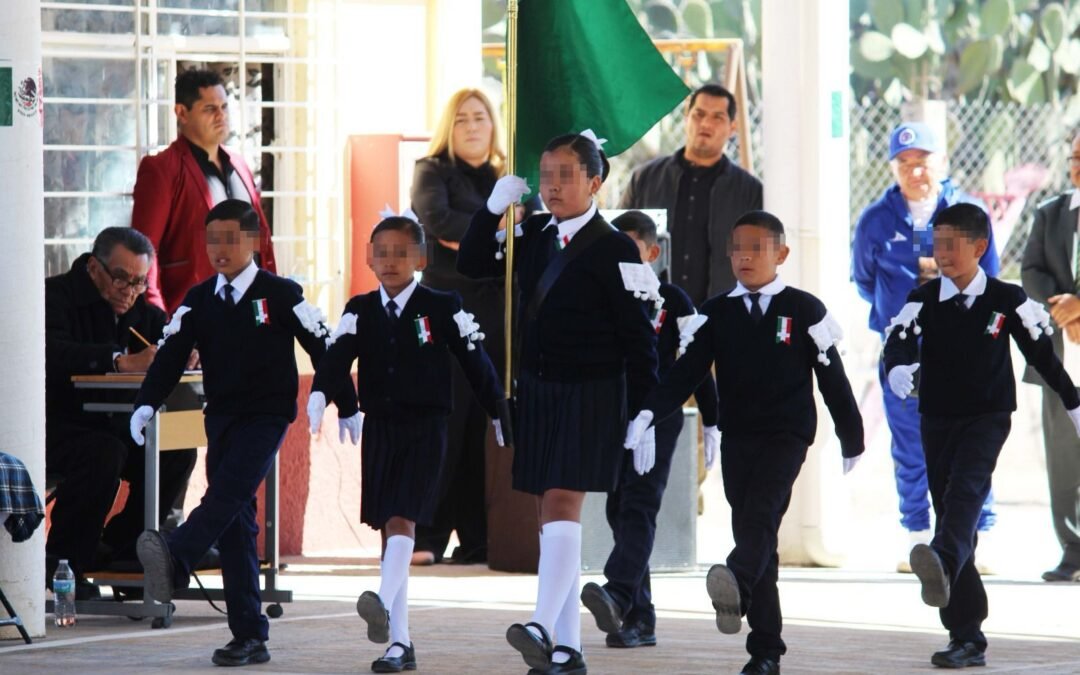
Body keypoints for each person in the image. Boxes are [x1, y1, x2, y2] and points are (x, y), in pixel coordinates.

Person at [625, 210, 864, 675]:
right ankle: (765, 651)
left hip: (787, 436)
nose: (746, 257)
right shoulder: (714, 313)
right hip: (740, 438)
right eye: (738, 248)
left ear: (781, 254)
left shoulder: (804, 309)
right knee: (759, 540)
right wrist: (650, 413)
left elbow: (833, 379)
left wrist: (850, 436)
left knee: (760, 515)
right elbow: (684, 374)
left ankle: (734, 576)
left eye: (757, 248)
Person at [458, 132, 659, 675]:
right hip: (540, 390)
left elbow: (640, 341)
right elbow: (474, 263)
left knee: (565, 500)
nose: (553, 186)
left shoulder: (616, 247)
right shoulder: (534, 234)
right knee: (548, 512)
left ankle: (542, 625)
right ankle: (568, 648)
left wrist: (647, 414)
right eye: (546, 175)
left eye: (567, 175)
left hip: (593, 393)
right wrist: (494, 207)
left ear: (595, 181)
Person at [130, 199, 356, 667]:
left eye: (231, 239)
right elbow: (171, 355)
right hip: (223, 418)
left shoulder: (282, 294)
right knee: (235, 522)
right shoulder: (199, 300)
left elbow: (324, 346)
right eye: (212, 239)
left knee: (228, 492)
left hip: (268, 416)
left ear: (252, 241)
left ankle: (177, 554)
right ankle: (249, 635)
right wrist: (146, 403)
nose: (220, 249)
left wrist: (344, 402)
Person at [883, 203, 1080, 668]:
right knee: (952, 510)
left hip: (988, 418)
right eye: (937, 243)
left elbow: (1042, 354)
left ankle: (943, 559)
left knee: (966, 495)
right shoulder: (924, 299)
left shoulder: (1006, 299)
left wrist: (1072, 401)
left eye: (953, 243)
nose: (943, 253)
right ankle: (966, 635)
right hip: (937, 419)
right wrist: (897, 368)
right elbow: (900, 340)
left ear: (980, 246)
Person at [308, 214, 504, 673]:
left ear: (420, 258)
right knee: (390, 531)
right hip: (382, 430)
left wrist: (497, 408)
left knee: (403, 516)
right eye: (382, 252)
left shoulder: (442, 304)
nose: (391, 262)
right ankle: (400, 642)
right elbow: (337, 357)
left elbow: (477, 362)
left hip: (427, 428)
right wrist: (324, 395)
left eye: (402, 253)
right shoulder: (359, 309)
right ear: (369, 258)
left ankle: (379, 597)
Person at [852, 121, 1000, 571]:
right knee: (911, 444)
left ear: (941, 161)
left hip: (964, 349)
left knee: (972, 442)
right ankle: (919, 537)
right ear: (894, 168)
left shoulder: (967, 211)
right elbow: (862, 280)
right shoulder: (876, 220)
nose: (914, 172)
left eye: (923, 162)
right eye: (904, 164)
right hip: (905, 353)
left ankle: (978, 536)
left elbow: (990, 274)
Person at [579, 210, 719, 649]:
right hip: (614, 415)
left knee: (639, 505)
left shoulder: (673, 300)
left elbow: (697, 363)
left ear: (653, 252)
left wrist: (713, 420)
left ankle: (619, 592)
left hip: (657, 417)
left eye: (630, 246)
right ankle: (640, 617)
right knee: (617, 508)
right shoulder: (604, 296)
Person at [409, 88, 535, 565]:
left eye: (480, 117)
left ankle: (481, 536)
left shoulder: (509, 175)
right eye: (461, 119)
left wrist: (495, 230)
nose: (472, 126)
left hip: (501, 313)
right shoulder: (431, 171)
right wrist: (496, 226)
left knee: (489, 426)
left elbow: (529, 228)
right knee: (449, 422)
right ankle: (426, 533)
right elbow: (436, 220)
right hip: (451, 310)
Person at [45, 227, 196, 597]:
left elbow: (170, 339)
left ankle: (122, 550)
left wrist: (186, 353)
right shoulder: (55, 297)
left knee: (176, 450)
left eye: (139, 282)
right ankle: (66, 564)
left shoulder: (142, 313)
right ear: (95, 268)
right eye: (120, 278)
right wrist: (118, 362)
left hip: (114, 424)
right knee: (102, 454)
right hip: (55, 425)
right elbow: (51, 352)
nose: (128, 290)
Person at [131, 68, 276, 315]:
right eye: (210, 109)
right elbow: (145, 250)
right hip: (194, 311)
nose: (221, 116)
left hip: (252, 311)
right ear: (181, 113)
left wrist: (272, 303)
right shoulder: (162, 168)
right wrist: (157, 317)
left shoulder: (239, 164)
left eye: (224, 107)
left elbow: (259, 239)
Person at [618, 83, 762, 306]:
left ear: (732, 128)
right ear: (686, 117)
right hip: (650, 311)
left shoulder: (750, 191)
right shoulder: (645, 179)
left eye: (717, 117)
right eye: (699, 114)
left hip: (719, 316)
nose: (705, 124)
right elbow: (618, 244)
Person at [1020, 131, 1080, 583]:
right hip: (1062, 353)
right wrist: (1063, 308)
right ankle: (1072, 551)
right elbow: (1030, 271)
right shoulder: (1051, 213)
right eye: (1074, 156)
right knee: (1063, 457)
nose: (1077, 165)